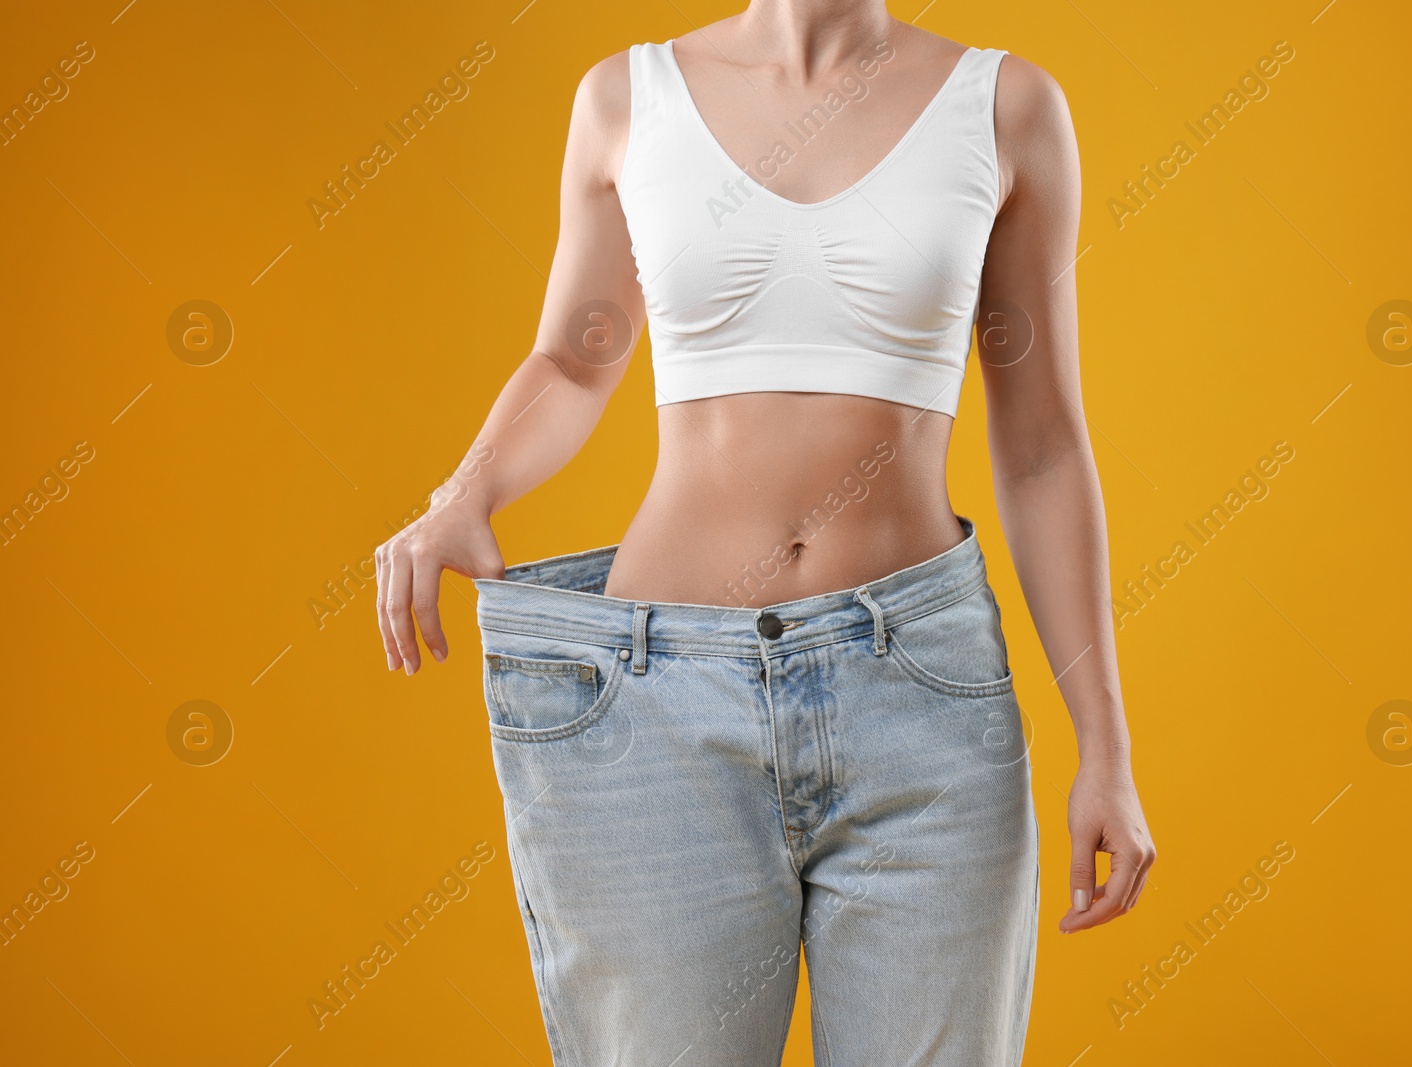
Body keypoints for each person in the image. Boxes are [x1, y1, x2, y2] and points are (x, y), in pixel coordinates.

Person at [374, 3, 1155, 1062]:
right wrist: (462, 489)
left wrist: (1104, 745)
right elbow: (573, 357)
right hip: (658, 707)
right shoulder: (624, 98)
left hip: (920, 702)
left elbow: (1042, 445)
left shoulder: (1007, 107)